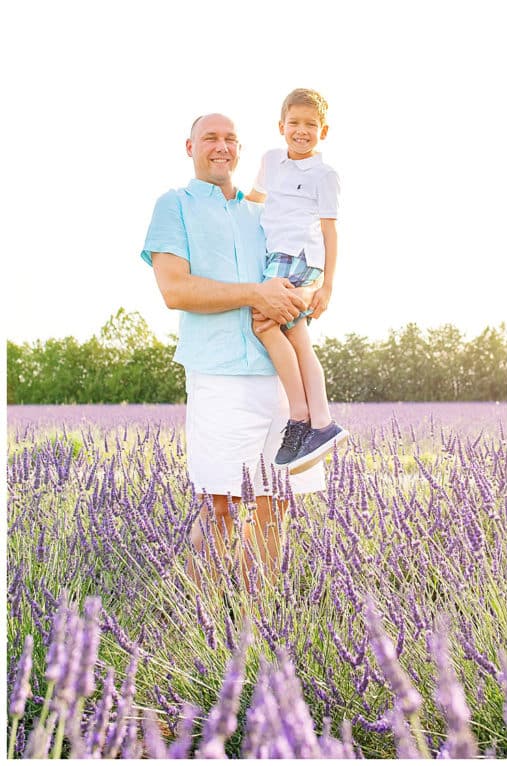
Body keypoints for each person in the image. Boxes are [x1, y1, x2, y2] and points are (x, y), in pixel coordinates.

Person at [141, 113, 326, 581]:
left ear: (240, 150)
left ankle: (248, 622)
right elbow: (174, 290)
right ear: (190, 147)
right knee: (219, 505)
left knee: (275, 504)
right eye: (210, 138)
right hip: (220, 376)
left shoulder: (262, 211)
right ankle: (195, 626)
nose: (221, 147)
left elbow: (301, 268)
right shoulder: (174, 205)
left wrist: (304, 295)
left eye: (230, 139)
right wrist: (254, 293)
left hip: (280, 380)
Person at [245, 88, 349, 475]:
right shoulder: (271, 161)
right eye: (295, 124)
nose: (301, 131)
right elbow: (254, 199)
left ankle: (301, 416)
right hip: (276, 257)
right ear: (281, 126)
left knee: (263, 322)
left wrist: (328, 286)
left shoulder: (325, 175)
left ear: (324, 130)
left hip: (299, 258)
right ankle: (321, 422)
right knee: (296, 336)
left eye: (310, 125)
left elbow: (330, 232)